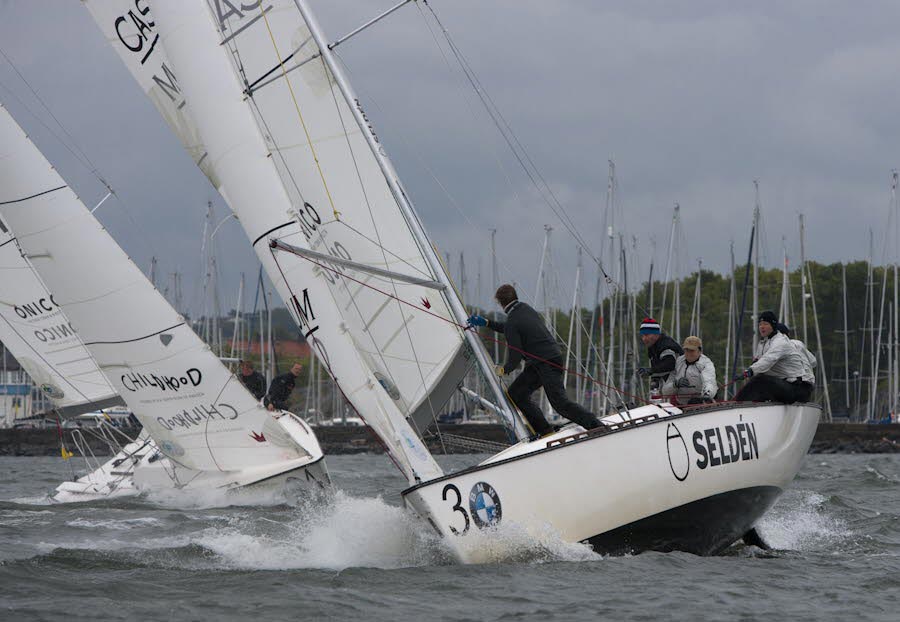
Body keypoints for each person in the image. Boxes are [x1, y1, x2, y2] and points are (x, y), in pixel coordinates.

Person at [468, 284, 602, 438]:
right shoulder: (525, 309)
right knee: (516, 393)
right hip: (545, 361)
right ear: (514, 296)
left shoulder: (513, 321)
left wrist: (505, 369)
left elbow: (515, 356)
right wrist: (487, 323)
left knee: (559, 403)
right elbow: (511, 328)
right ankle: (544, 430)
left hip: (545, 362)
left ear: (499, 302)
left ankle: (596, 426)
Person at [733, 311, 814, 403]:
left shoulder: (780, 342)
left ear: (773, 326)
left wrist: (750, 371)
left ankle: (739, 405)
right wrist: (750, 369)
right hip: (784, 385)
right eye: (760, 324)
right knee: (758, 380)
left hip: (796, 388)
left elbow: (768, 359)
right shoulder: (764, 343)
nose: (762, 327)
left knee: (760, 380)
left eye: (765, 324)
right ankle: (742, 404)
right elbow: (758, 362)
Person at [661, 336, 717, 405]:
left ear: (699, 351)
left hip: (701, 404)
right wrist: (675, 384)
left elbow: (709, 381)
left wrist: (707, 394)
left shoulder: (706, 363)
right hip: (680, 404)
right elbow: (665, 392)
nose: (688, 353)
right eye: (686, 350)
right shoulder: (678, 362)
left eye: (692, 350)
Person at [636, 317, 684, 392]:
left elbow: (669, 364)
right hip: (674, 383)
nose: (644, 339)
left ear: (656, 334)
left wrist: (650, 371)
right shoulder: (652, 346)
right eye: (642, 336)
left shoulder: (665, 345)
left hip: (683, 380)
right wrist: (655, 380)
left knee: (667, 392)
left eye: (646, 335)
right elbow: (657, 367)